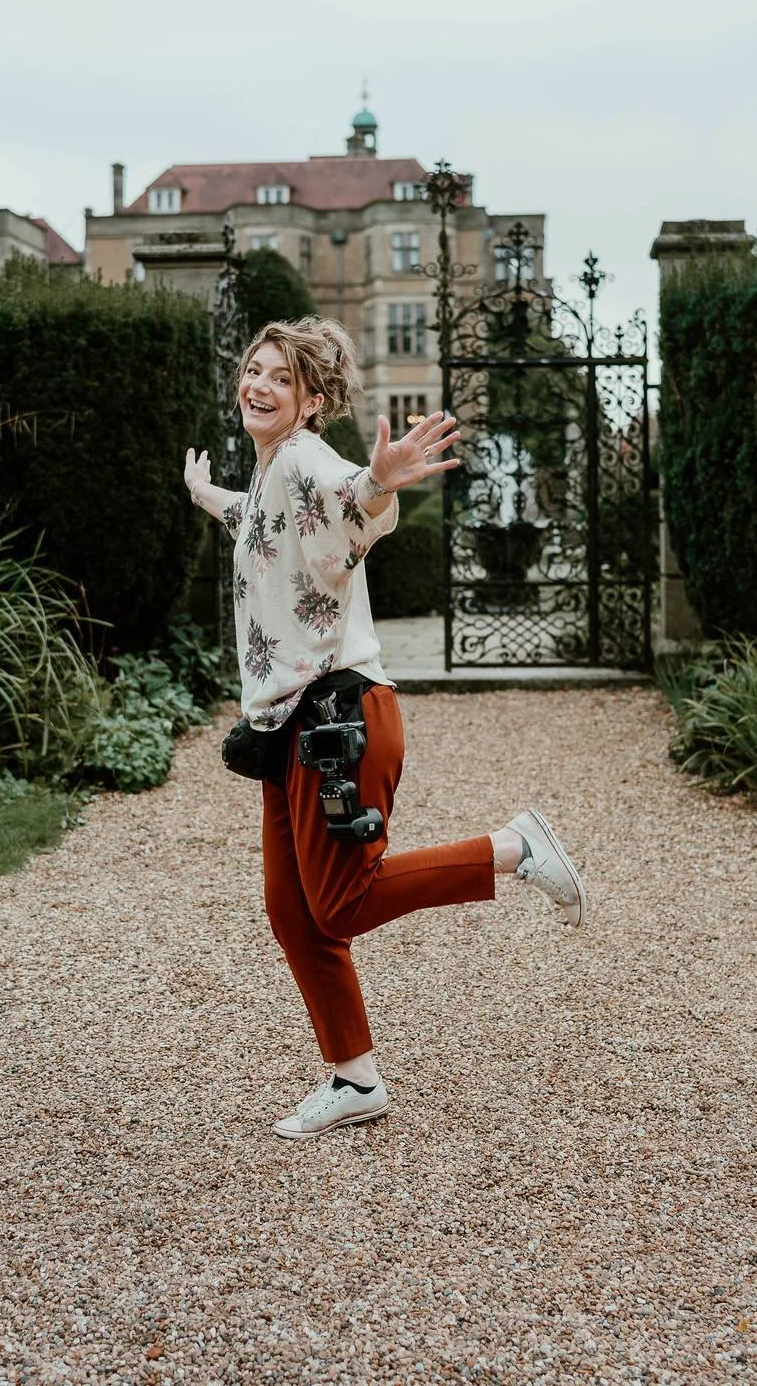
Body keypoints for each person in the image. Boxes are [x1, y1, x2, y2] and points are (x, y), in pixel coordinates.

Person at [184, 317, 586, 1141]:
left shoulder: (303, 459)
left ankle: (513, 846)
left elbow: (347, 503)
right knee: (292, 912)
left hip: (337, 717)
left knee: (343, 901)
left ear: (312, 401)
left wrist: (378, 479)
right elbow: (260, 526)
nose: (257, 385)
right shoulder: (268, 473)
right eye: (252, 370)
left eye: (279, 379)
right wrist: (210, 497)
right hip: (286, 722)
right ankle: (354, 1078)